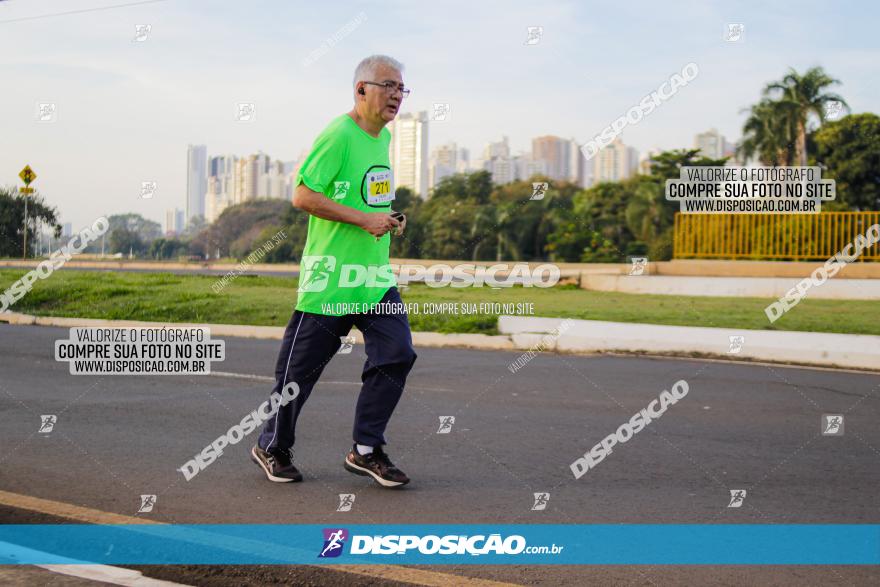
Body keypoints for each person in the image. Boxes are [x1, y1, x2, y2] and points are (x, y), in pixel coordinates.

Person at [251, 55, 416, 488]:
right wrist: (363, 220)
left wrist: (387, 217)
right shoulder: (339, 134)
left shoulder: (381, 139)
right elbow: (303, 196)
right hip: (330, 280)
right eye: (389, 86)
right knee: (296, 378)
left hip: (373, 281)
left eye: (402, 89)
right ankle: (272, 446)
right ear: (361, 89)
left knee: (397, 353)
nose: (397, 96)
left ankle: (365, 450)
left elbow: (366, 199)